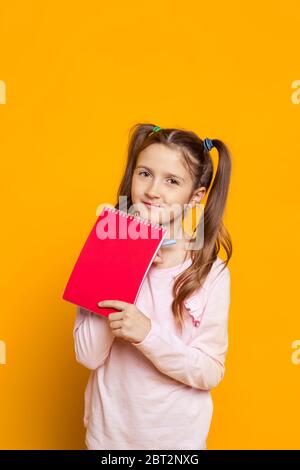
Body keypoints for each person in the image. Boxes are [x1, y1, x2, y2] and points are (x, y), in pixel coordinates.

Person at [73, 123, 232, 450]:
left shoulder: (209, 272)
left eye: (172, 181)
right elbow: (88, 355)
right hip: (108, 442)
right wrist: (118, 257)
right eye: (145, 173)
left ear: (196, 196)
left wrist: (147, 334)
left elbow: (209, 371)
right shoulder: (106, 247)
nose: (153, 191)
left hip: (177, 444)